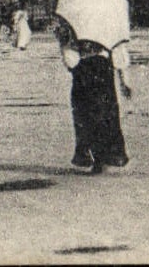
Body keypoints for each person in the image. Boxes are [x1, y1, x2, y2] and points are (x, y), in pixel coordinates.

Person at [55, 17, 131, 174]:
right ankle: (107, 157)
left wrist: (66, 46)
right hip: (103, 68)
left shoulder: (72, 21)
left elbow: (70, 59)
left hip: (83, 70)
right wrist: (124, 80)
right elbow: (117, 49)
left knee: (85, 115)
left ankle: (94, 156)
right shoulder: (107, 20)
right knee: (106, 113)